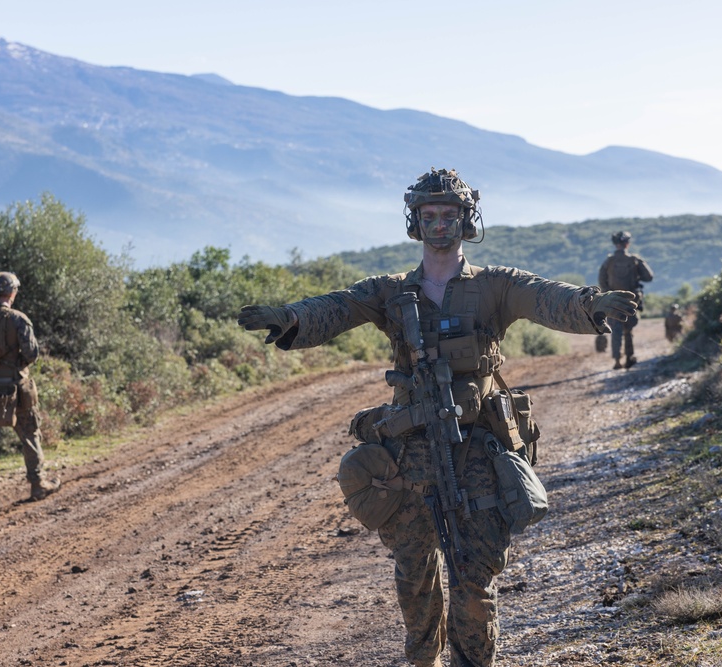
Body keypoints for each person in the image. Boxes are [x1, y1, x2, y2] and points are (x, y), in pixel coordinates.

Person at [238, 168, 637, 667]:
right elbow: (337, 307)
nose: (439, 225)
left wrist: (590, 304)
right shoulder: (392, 293)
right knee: (416, 580)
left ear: (466, 221)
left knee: (474, 582)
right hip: (411, 457)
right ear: (416, 222)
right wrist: (291, 317)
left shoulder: (494, 286)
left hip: (477, 453)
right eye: (429, 216)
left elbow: (545, 297)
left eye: (449, 215)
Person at [0, 272, 60, 515]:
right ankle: (38, 485)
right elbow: (32, 354)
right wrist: (13, 368)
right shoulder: (19, 320)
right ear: (12, 293)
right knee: (29, 434)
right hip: (17, 389)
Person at [598, 231, 654, 369]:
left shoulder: (608, 261)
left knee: (615, 330)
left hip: (613, 300)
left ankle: (617, 361)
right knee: (628, 330)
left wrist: (607, 294)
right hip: (631, 300)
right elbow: (649, 276)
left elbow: (601, 280)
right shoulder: (634, 259)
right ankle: (630, 357)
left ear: (615, 244)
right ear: (627, 244)